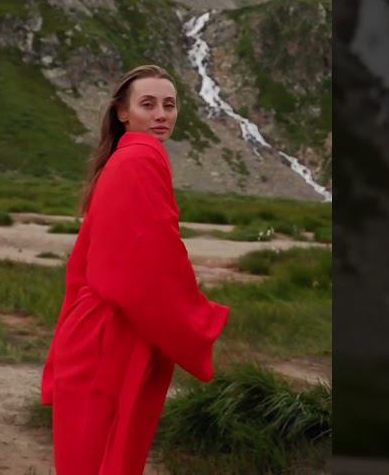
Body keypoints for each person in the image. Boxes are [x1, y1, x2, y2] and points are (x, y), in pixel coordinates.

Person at [40, 64, 230, 474]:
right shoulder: (138, 160)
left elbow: (87, 263)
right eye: (148, 104)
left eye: (169, 105)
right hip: (110, 336)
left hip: (97, 331)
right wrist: (199, 318)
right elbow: (154, 261)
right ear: (123, 112)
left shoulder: (126, 159)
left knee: (91, 461)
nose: (161, 114)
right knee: (104, 461)